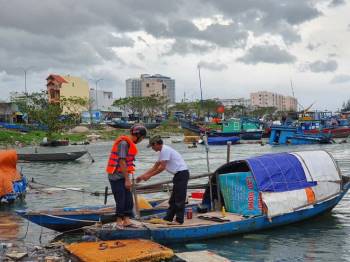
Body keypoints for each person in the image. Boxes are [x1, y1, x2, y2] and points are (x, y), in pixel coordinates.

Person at [137, 135, 189, 224]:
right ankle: (168, 218)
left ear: (156, 144)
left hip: (182, 174)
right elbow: (155, 166)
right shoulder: (162, 152)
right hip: (178, 175)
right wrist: (143, 176)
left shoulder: (165, 150)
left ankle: (179, 220)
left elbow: (162, 168)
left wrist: (149, 176)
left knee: (179, 199)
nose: (152, 148)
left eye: (152, 146)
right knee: (173, 200)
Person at [106, 124, 147, 228]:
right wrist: (127, 180)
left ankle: (127, 220)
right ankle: (119, 221)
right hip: (116, 176)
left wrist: (127, 178)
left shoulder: (129, 144)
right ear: (138, 136)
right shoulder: (124, 143)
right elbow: (122, 162)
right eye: (142, 138)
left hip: (124, 175)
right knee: (121, 199)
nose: (141, 140)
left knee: (128, 199)